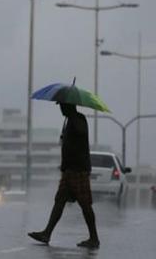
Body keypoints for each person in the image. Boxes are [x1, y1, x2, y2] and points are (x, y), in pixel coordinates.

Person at [28, 103, 100, 249]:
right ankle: (46, 233)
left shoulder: (78, 120)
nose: (60, 108)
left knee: (85, 204)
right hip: (69, 170)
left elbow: (79, 135)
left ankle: (94, 238)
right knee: (59, 201)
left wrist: (70, 130)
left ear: (69, 106)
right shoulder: (69, 121)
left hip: (78, 169)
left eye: (62, 106)